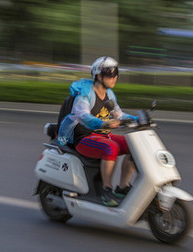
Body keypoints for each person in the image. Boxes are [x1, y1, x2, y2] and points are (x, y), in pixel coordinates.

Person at [57, 56, 137, 207]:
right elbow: (83, 116)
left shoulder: (109, 95)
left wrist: (138, 119)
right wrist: (104, 123)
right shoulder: (86, 94)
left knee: (134, 145)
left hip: (102, 135)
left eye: (116, 73)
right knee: (110, 147)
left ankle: (123, 186)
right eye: (110, 73)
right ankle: (106, 191)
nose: (115, 77)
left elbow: (119, 114)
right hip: (84, 138)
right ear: (99, 76)